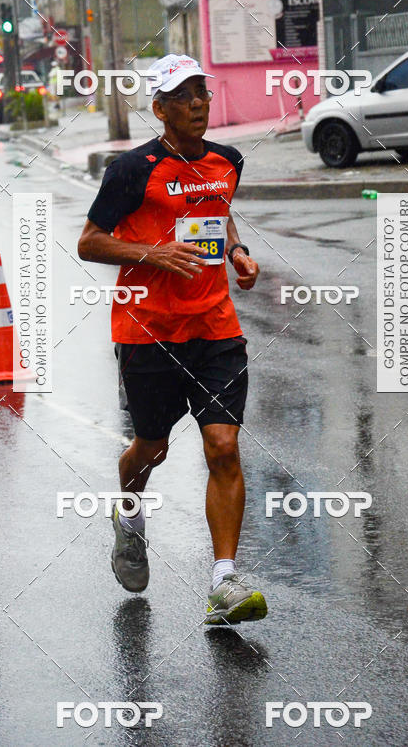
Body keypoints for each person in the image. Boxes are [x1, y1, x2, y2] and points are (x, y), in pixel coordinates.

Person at [78, 54, 267, 625]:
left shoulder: (227, 160)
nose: (197, 105)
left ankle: (224, 582)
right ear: (159, 109)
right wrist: (153, 253)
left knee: (224, 447)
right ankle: (129, 516)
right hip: (147, 331)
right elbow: (90, 242)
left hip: (215, 327)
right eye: (183, 97)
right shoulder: (132, 169)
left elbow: (220, 211)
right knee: (152, 449)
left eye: (202, 95)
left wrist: (234, 252)